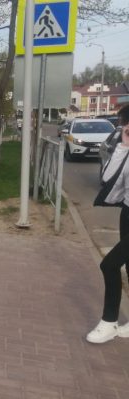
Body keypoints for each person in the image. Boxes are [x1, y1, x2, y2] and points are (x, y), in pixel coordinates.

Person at [86, 104, 129, 343]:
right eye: (123, 126)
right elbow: (107, 178)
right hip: (127, 212)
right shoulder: (126, 149)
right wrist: (123, 145)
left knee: (109, 265)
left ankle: (109, 321)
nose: (124, 128)